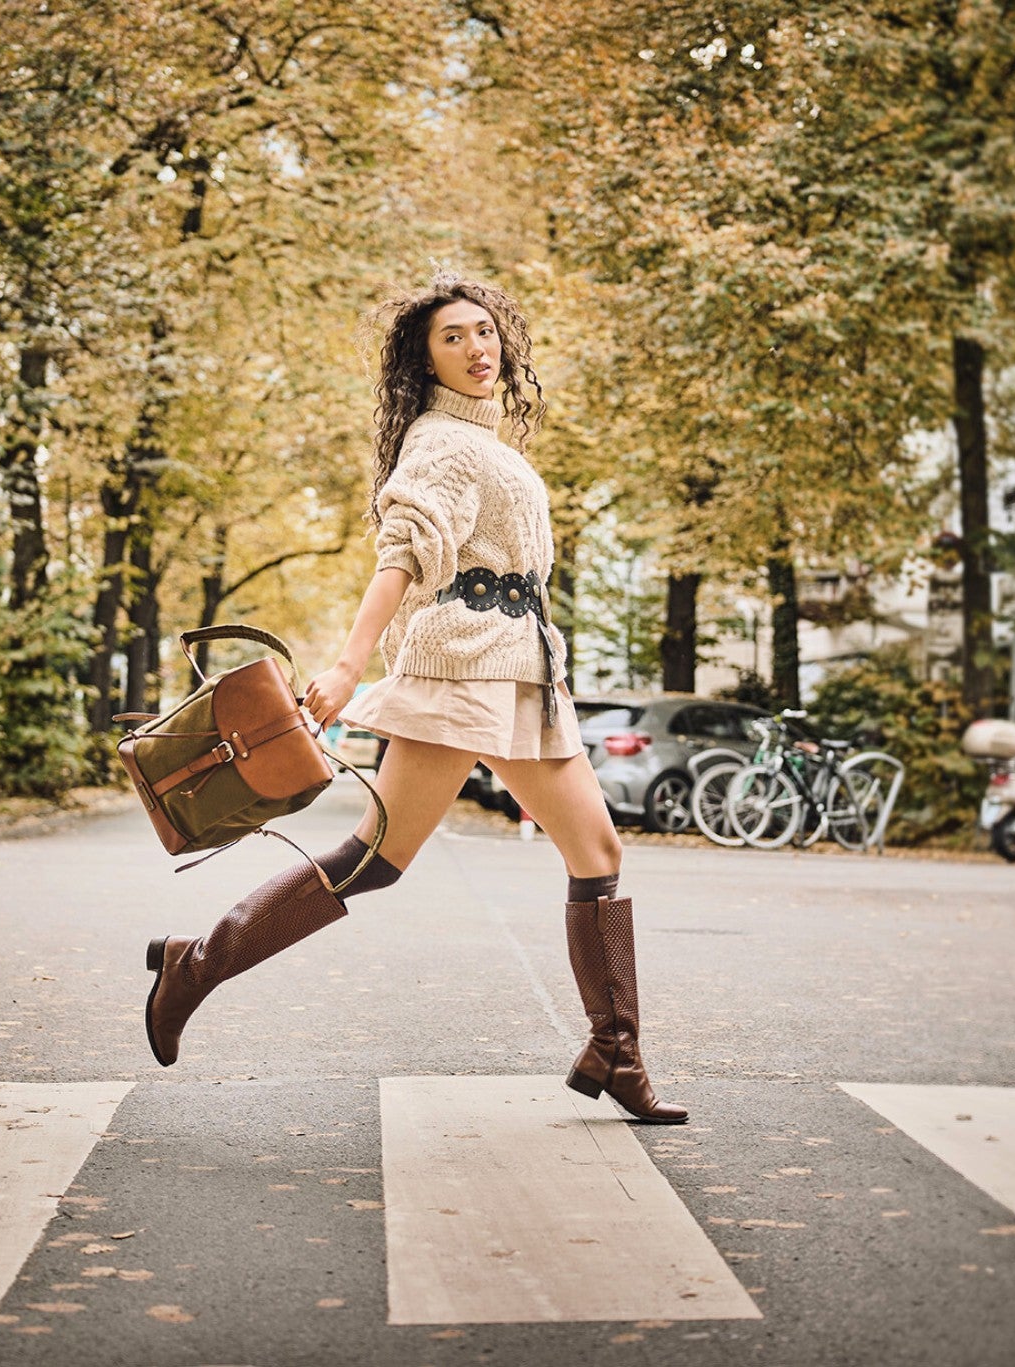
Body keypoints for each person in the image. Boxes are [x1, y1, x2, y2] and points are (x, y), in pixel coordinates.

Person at [140, 272, 684, 1124]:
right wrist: (353, 663)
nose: (477, 348)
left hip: (524, 670)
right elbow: (404, 553)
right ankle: (197, 960)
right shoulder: (441, 442)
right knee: (375, 858)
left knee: (597, 849)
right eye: (453, 338)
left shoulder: (492, 444)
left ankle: (615, 1048)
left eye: (484, 332)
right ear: (423, 359)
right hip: (464, 666)